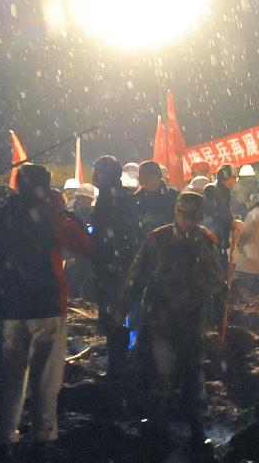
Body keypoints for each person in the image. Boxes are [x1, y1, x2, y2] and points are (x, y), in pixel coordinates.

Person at [0, 164, 91, 462]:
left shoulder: (1, 215)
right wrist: (65, 213)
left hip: (10, 309)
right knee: (46, 379)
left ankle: (4, 437)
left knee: (10, 378)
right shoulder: (50, 215)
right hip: (46, 306)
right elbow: (83, 245)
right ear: (44, 187)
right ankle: (43, 437)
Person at [119, 192, 226, 446]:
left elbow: (215, 277)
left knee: (191, 372)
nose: (191, 221)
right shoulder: (157, 240)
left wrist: (222, 294)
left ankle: (196, 426)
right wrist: (124, 303)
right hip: (159, 317)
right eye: (186, 215)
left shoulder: (205, 242)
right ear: (177, 213)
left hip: (190, 317)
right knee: (157, 371)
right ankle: (157, 423)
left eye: (195, 216)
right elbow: (137, 274)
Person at [89, 156, 141, 380]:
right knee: (116, 318)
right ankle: (120, 363)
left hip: (117, 269)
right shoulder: (116, 198)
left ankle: (119, 368)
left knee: (116, 318)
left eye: (98, 173)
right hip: (116, 268)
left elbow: (115, 236)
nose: (95, 177)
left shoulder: (115, 200)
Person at [203, 164, 238, 273]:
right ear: (226, 177)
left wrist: (232, 220)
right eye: (234, 177)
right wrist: (230, 221)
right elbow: (212, 213)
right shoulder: (212, 189)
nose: (235, 181)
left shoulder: (225, 192)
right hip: (213, 238)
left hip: (221, 239)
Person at [233, 193, 259, 298]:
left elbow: (246, 231)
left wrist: (239, 242)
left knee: (242, 280)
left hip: (250, 254)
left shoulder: (252, 214)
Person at [135, 161, 178, 237]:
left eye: (143, 175)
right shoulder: (137, 198)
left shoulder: (173, 195)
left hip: (170, 239)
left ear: (155, 176)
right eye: (140, 175)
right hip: (146, 241)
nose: (139, 179)